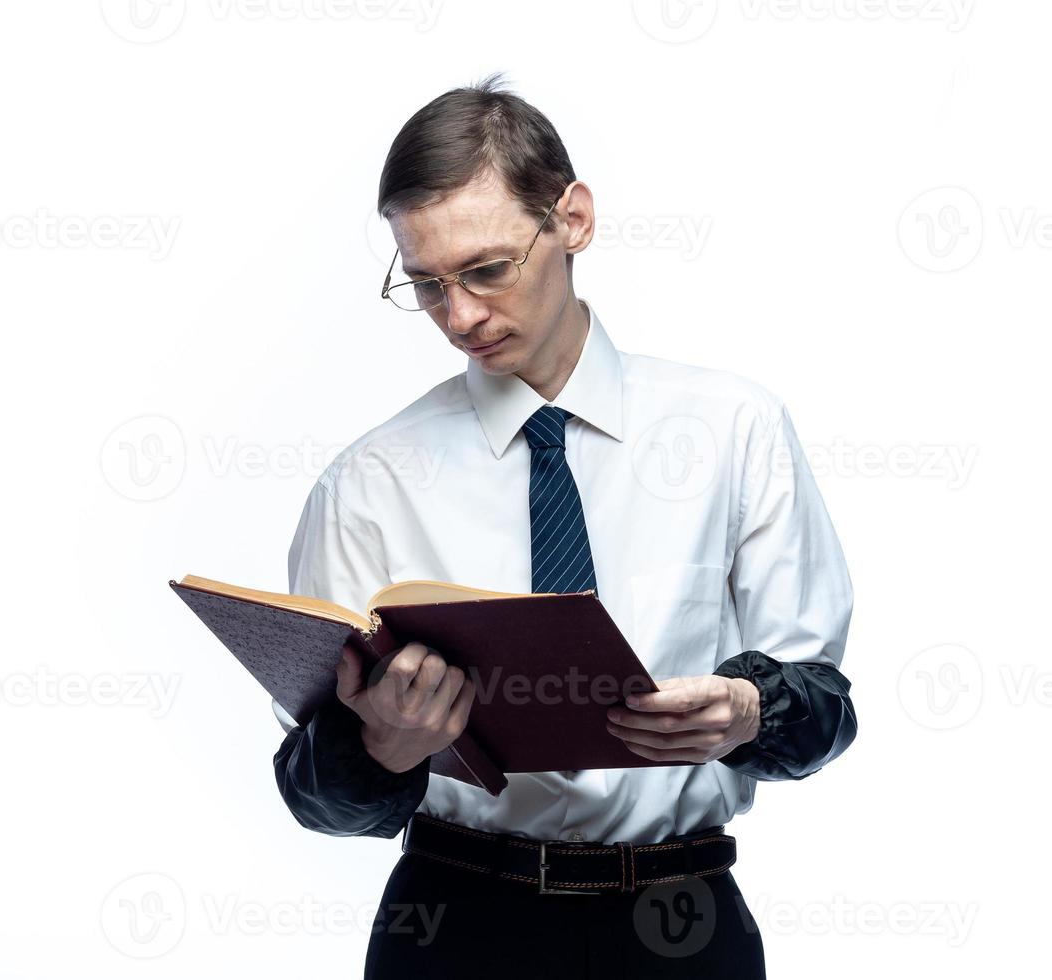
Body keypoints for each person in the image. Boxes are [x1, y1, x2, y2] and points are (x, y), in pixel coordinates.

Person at [270, 73, 856, 979]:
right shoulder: (370, 482)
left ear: (573, 220)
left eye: (487, 269)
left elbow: (825, 711)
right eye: (425, 285)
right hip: (454, 922)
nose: (459, 316)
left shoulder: (734, 429)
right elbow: (318, 797)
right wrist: (383, 745)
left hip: (682, 920)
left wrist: (747, 710)